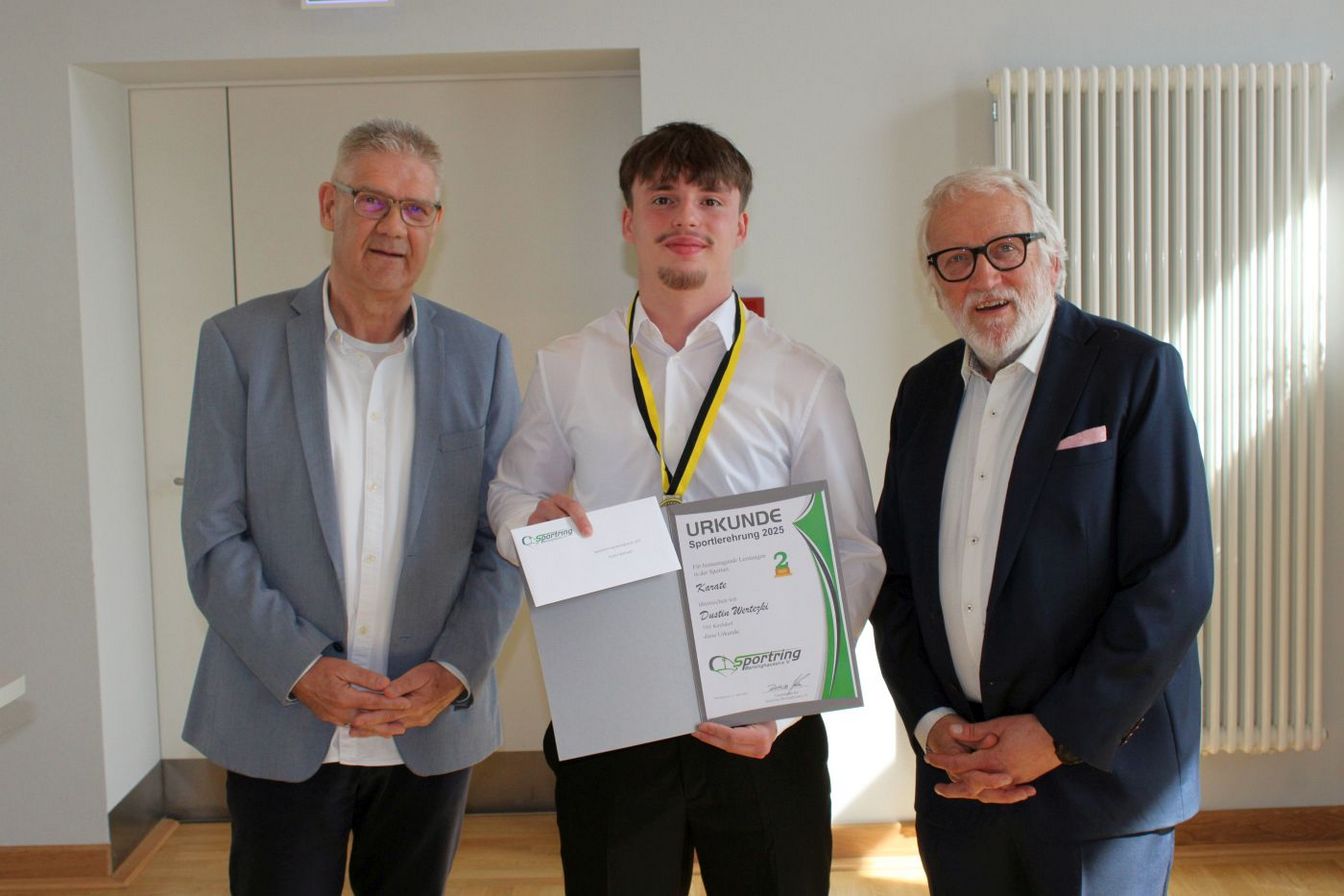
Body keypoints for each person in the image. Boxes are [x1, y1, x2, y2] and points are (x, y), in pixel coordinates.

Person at [487, 121, 884, 894]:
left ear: (741, 224)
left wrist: (789, 708)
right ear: (628, 221)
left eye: (710, 199)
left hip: (762, 726)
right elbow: (510, 492)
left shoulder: (802, 378)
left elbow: (852, 550)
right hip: (612, 717)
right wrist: (526, 526)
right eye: (663, 198)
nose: (686, 217)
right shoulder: (567, 364)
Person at [180, 118, 521, 896]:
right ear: (329, 205)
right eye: (372, 201)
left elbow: (502, 539)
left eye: (416, 209)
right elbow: (213, 536)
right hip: (281, 718)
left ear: (436, 224)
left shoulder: (482, 356)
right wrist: (301, 668)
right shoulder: (240, 344)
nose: (394, 227)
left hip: (426, 727)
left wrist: (454, 670)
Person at [870, 166, 1213, 894]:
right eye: (956, 260)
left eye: (1006, 248)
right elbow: (894, 580)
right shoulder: (922, 393)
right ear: (935, 284)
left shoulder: (1135, 371)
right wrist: (931, 721)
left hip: (1101, 787)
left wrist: (1057, 734)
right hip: (960, 785)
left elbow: (1172, 581)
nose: (984, 277)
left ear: (1053, 259)